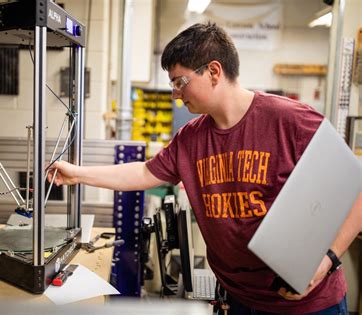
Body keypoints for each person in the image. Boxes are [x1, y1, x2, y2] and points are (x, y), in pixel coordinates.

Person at [49, 22, 362, 314]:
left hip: (306, 304)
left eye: (180, 82)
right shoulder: (191, 138)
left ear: (214, 71)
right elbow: (145, 173)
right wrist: (78, 173)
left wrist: (328, 260)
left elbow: (356, 186)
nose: (175, 94)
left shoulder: (289, 121)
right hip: (238, 298)